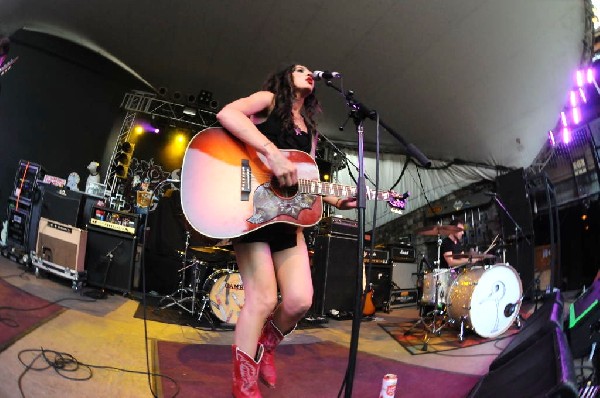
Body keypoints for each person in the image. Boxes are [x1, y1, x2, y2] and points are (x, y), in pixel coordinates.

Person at [216, 64, 356, 397]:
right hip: (252, 211)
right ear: (285, 78)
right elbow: (227, 114)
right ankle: (244, 386)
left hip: (286, 219)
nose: (309, 73)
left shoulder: (310, 129)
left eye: (311, 72)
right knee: (262, 298)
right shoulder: (268, 100)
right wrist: (272, 153)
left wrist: (333, 200)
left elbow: (301, 182)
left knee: (299, 300)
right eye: (300, 69)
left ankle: (267, 344)